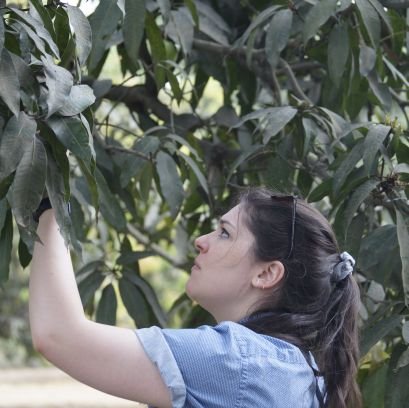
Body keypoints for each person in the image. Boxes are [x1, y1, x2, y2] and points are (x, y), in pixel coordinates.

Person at [29, 187, 362, 408]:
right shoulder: (301, 372)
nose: (202, 241)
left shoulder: (237, 361)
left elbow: (59, 335)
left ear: (266, 274)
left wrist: (50, 205)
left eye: (224, 233)